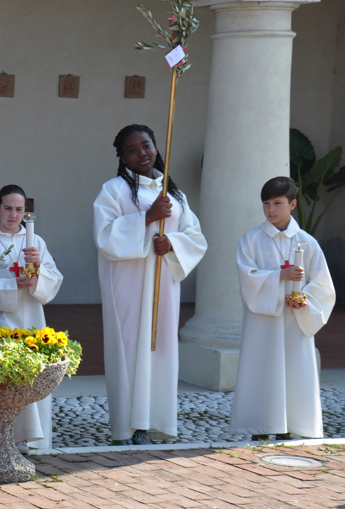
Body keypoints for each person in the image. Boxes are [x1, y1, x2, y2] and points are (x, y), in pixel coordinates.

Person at [94, 124, 207, 445]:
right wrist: (147, 217)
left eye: (146, 145)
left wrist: (171, 243)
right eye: (132, 150)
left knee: (160, 349)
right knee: (131, 348)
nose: (141, 153)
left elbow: (195, 236)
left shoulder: (174, 193)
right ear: (122, 157)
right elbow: (104, 236)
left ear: (156, 147)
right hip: (128, 286)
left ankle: (156, 422)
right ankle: (129, 427)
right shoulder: (113, 190)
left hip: (163, 286)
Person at [231, 177, 335, 441]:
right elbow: (247, 279)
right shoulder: (251, 239)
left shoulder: (307, 243)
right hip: (263, 322)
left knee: (293, 369)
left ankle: (291, 424)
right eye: (266, 204)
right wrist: (280, 277)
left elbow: (323, 285)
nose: (271, 210)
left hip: (294, 320)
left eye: (277, 203)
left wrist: (304, 300)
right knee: (262, 367)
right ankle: (260, 426)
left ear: (292, 204)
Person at [0, 185, 63, 452]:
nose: (13, 215)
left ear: (25, 211)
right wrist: (13, 284)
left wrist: (38, 271)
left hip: (29, 318)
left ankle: (31, 440)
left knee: (31, 376)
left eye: (19, 209)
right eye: (8, 208)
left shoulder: (36, 243)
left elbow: (53, 279)